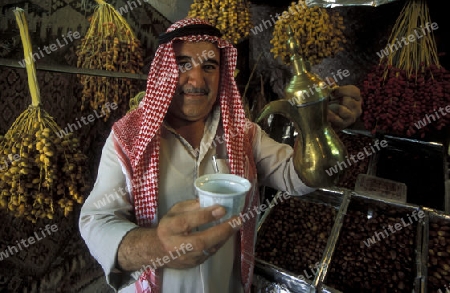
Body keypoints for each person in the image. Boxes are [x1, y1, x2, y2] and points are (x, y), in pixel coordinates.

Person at [79, 18, 362, 293]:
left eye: (210, 66)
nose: (197, 79)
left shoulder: (244, 134)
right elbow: (96, 222)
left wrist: (316, 125)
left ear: (221, 74)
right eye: (183, 64)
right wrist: (155, 246)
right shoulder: (128, 139)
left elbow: (298, 177)